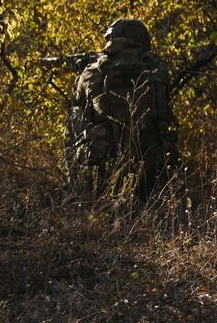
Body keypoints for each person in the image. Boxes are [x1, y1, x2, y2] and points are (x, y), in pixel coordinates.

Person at [64, 19, 179, 202]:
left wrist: (82, 71)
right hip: (152, 172)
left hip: (102, 174)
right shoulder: (159, 70)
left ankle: (74, 184)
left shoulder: (91, 72)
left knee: (75, 114)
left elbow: (76, 116)